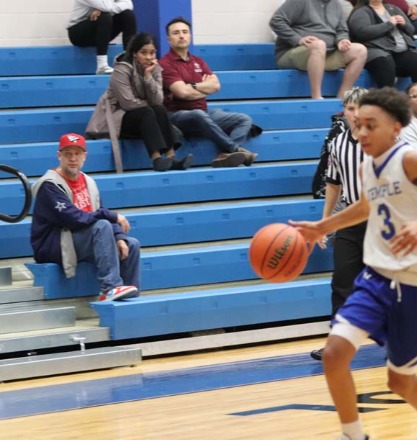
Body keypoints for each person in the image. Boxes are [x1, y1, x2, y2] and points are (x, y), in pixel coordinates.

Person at [291, 87, 417, 440]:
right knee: (334, 354)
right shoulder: (368, 166)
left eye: (370, 125)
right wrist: (323, 226)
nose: (361, 132)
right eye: (358, 125)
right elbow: (366, 205)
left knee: (399, 380)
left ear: (395, 127)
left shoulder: (411, 159)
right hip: (377, 276)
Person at [31, 133, 140, 302]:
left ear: (85, 156)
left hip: (82, 238)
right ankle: (109, 288)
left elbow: (100, 210)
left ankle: (129, 297)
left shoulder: (88, 181)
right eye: (68, 154)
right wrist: (111, 216)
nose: (73, 158)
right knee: (102, 226)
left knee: (130, 244)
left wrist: (119, 236)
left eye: (77, 153)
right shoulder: (49, 185)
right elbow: (73, 219)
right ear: (59, 156)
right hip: (56, 243)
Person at [310, 87, 369, 362]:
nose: (355, 114)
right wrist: (325, 223)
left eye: (360, 108)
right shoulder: (337, 144)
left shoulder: (384, 139)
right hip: (350, 219)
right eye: (350, 108)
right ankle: (337, 345)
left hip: (383, 222)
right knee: (341, 284)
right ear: (344, 111)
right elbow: (333, 184)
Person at [159, 17, 258, 168]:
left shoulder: (198, 61)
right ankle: (236, 150)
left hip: (203, 113)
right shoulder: (165, 64)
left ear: (190, 36)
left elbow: (216, 86)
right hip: (177, 115)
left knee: (243, 119)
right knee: (198, 114)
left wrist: (192, 86)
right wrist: (204, 88)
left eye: (185, 32)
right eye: (176, 33)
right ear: (169, 39)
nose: (181, 36)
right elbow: (182, 93)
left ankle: (224, 154)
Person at [85, 32, 192, 173]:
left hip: (143, 120)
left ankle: (171, 158)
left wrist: (148, 77)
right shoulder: (121, 70)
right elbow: (128, 103)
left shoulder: (155, 69)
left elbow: (158, 101)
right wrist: (150, 104)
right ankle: (156, 159)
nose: (148, 57)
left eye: (152, 53)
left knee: (159, 109)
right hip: (118, 119)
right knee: (148, 111)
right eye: (143, 52)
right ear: (135, 53)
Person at [270, 0, 367, 100]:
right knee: (319, 45)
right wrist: (298, 39)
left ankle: (342, 97)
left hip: (327, 53)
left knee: (360, 50)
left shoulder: (336, 5)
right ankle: (316, 97)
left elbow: (341, 30)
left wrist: (342, 40)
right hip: (293, 52)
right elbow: (276, 20)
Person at [348, 0, 417, 89]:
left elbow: (411, 30)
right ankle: (388, 96)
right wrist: (389, 24)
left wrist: (404, 24)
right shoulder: (361, 11)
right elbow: (362, 32)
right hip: (376, 52)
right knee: (385, 61)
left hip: (400, 53)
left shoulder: (394, 8)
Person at [67, 0, 137, 75]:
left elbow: (129, 4)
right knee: (104, 16)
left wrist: (100, 10)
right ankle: (102, 66)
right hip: (77, 32)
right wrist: (104, 10)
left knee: (128, 14)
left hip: (99, 28)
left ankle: (128, 61)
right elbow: (106, 7)